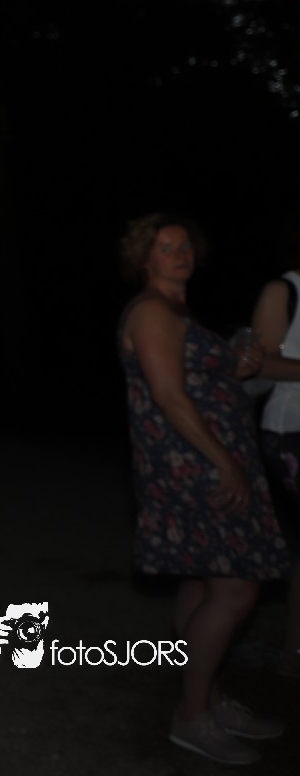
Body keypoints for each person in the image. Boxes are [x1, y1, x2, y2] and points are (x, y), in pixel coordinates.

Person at [116, 213, 289, 766]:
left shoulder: (180, 312)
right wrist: (225, 463)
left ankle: (208, 699)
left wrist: (237, 366)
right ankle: (192, 717)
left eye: (185, 245)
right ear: (144, 259)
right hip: (191, 466)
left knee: (202, 580)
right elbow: (169, 395)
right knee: (236, 588)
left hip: (206, 459)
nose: (180, 253)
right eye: (166, 247)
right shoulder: (150, 311)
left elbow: (198, 378)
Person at [250, 263, 300, 677]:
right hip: (291, 429)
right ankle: (292, 652)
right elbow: (258, 364)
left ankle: (292, 653)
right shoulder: (284, 289)